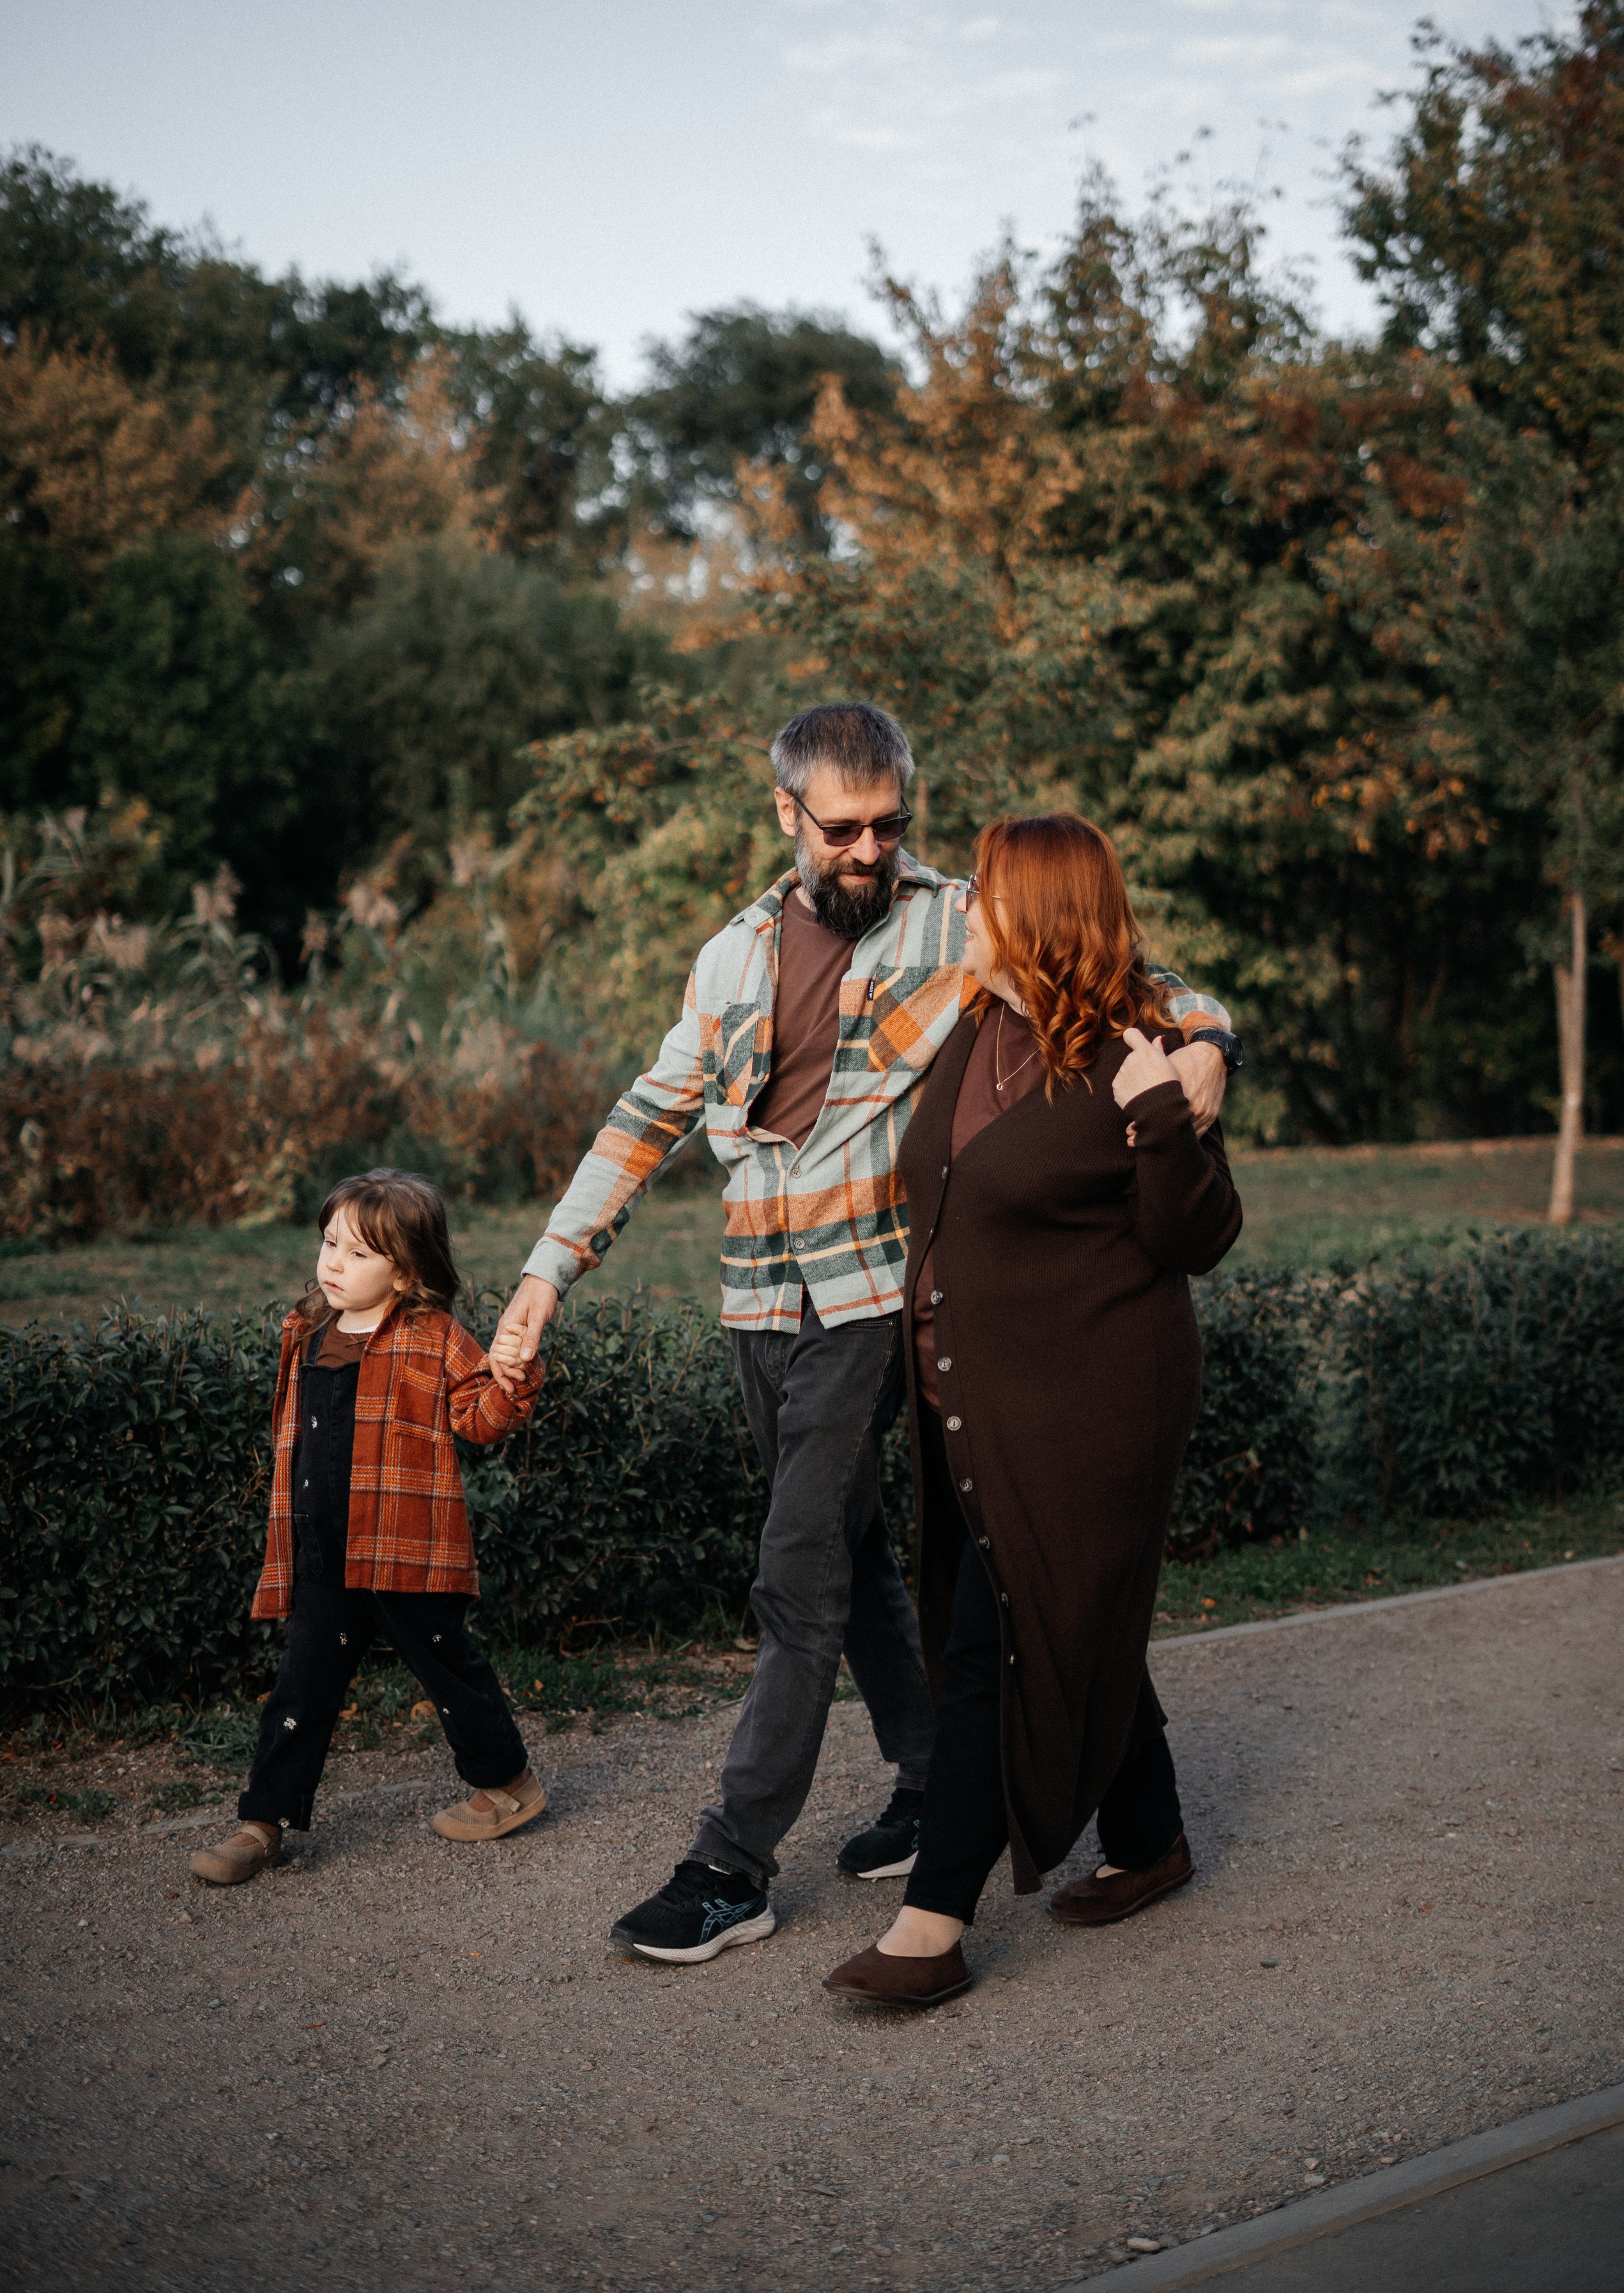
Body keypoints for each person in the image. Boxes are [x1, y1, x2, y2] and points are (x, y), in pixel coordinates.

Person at [493, 703, 1240, 1965]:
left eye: (890, 824)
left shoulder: (958, 920)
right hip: (760, 1295)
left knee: (798, 1567)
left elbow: (1134, 976)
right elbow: (649, 1111)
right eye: (842, 829)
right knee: (862, 1551)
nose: (870, 849)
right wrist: (546, 1271)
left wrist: (1209, 1040)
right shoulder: (728, 956)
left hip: (877, 1299)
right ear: (786, 814)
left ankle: (730, 1868)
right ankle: (947, 1779)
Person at [823, 814, 1243, 2008]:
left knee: (995, 1643)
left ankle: (933, 1924)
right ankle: (1151, 1840)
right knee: (1060, 1612)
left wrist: (1168, 1109)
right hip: (974, 1398)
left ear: (1042, 916)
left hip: (1091, 1406)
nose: (964, 907)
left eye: (987, 892)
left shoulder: (1138, 1053)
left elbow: (1200, 1236)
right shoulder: (980, 1022)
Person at [190, 1170, 548, 1887]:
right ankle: (262, 1823)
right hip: (323, 1550)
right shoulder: (307, 1334)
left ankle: (509, 1784)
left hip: (403, 1548)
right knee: (301, 1689)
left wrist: (514, 1374)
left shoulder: (433, 1337)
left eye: (358, 1254)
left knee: (449, 1670)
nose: (333, 1263)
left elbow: (481, 1421)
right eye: (330, 1244)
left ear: (406, 1272)